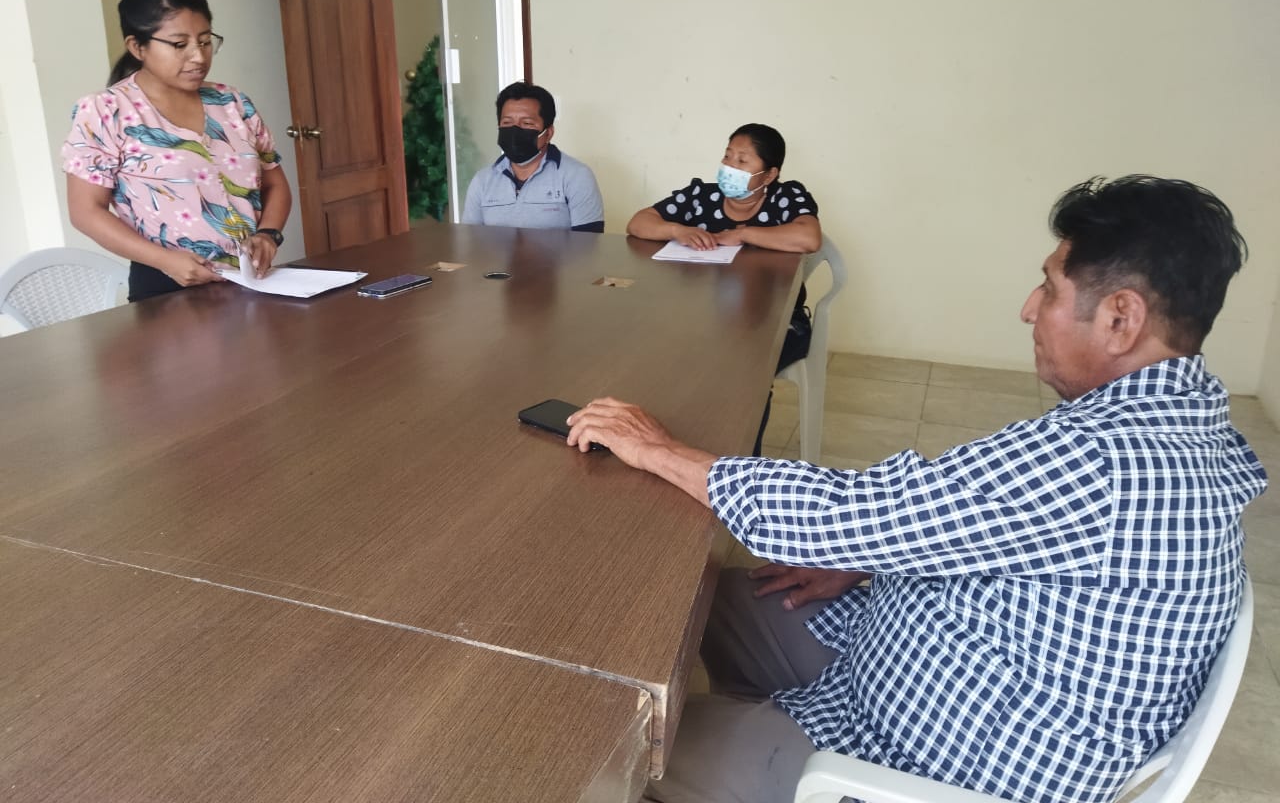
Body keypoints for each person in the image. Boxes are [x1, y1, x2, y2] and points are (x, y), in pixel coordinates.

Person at [567, 175, 1268, 803]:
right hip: (912, 664)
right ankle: (743, 718)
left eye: (1051, 289)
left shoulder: (1105, 461)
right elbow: (969, 523)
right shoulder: (1183, 425)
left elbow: (848, 514)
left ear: (1121, 318)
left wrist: (656, 450)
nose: (1029, 309)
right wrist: (870, 558)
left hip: (904, 764)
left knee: (606, 752)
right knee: (701, 600)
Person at [63, 0, 292, 302]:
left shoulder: (232, 103)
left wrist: (268, 235)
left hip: (250, 281)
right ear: (137, 47)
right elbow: (86, 211)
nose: (198, 56)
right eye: (179, 44)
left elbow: (275, 183)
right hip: (165, 287)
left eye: (205, 41)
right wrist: (165, 261)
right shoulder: (105, 111)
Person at [627, 124, 821, 453]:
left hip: (778, 324)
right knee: (664, 357)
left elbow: (809, 237)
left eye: (742, 161)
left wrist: (742, 234)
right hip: (704, 320)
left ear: (769, 174)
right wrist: (676, 230)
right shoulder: (701, 197)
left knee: (745, 373)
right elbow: (638, 222)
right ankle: (679, 449)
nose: (730, 166)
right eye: (728, 156)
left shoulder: (787, 197)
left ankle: (740, 462)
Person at [461, 82, 604, 232]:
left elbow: (589, 243)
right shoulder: (482, 181)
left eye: (527, 123)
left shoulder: (576, 176)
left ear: (548, 133)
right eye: (507, 122)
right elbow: (470, 240)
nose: (515, 130)